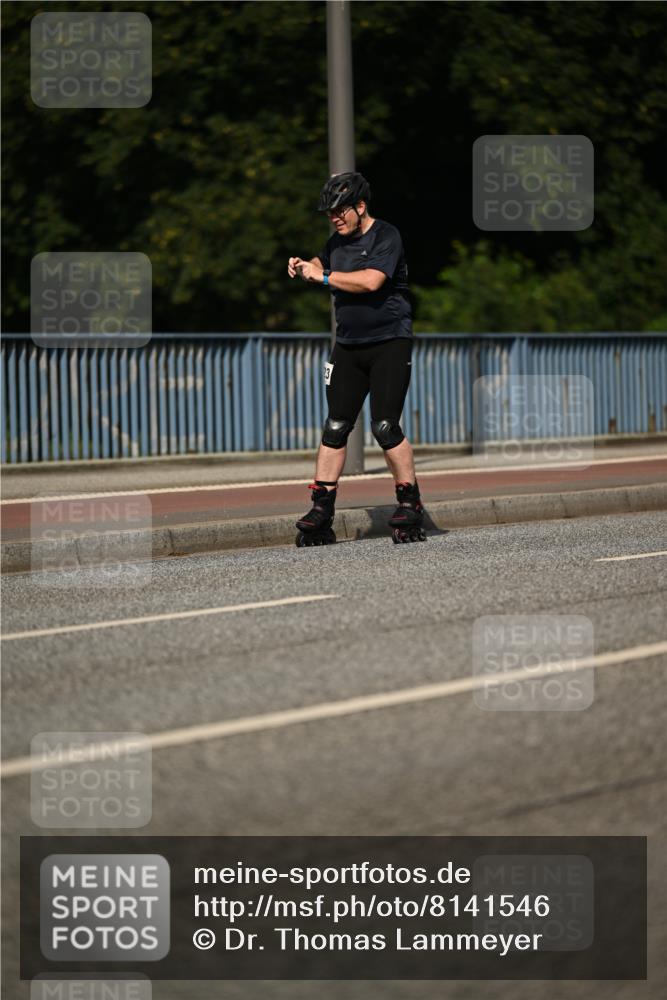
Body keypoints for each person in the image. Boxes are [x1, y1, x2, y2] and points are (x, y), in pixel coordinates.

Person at [287, 171, 425, 545]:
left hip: (389, 342)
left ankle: (409, 502)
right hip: (348, 345)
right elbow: (323, 258)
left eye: (340, 211)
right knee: (335, 426)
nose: (333, 218)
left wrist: (325, 277)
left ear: (360, 207)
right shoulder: (337, 240)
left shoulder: (386, 235)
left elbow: (370, 281)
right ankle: (321, 507)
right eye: (329, 213)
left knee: (385, 426)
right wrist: (304, 266)